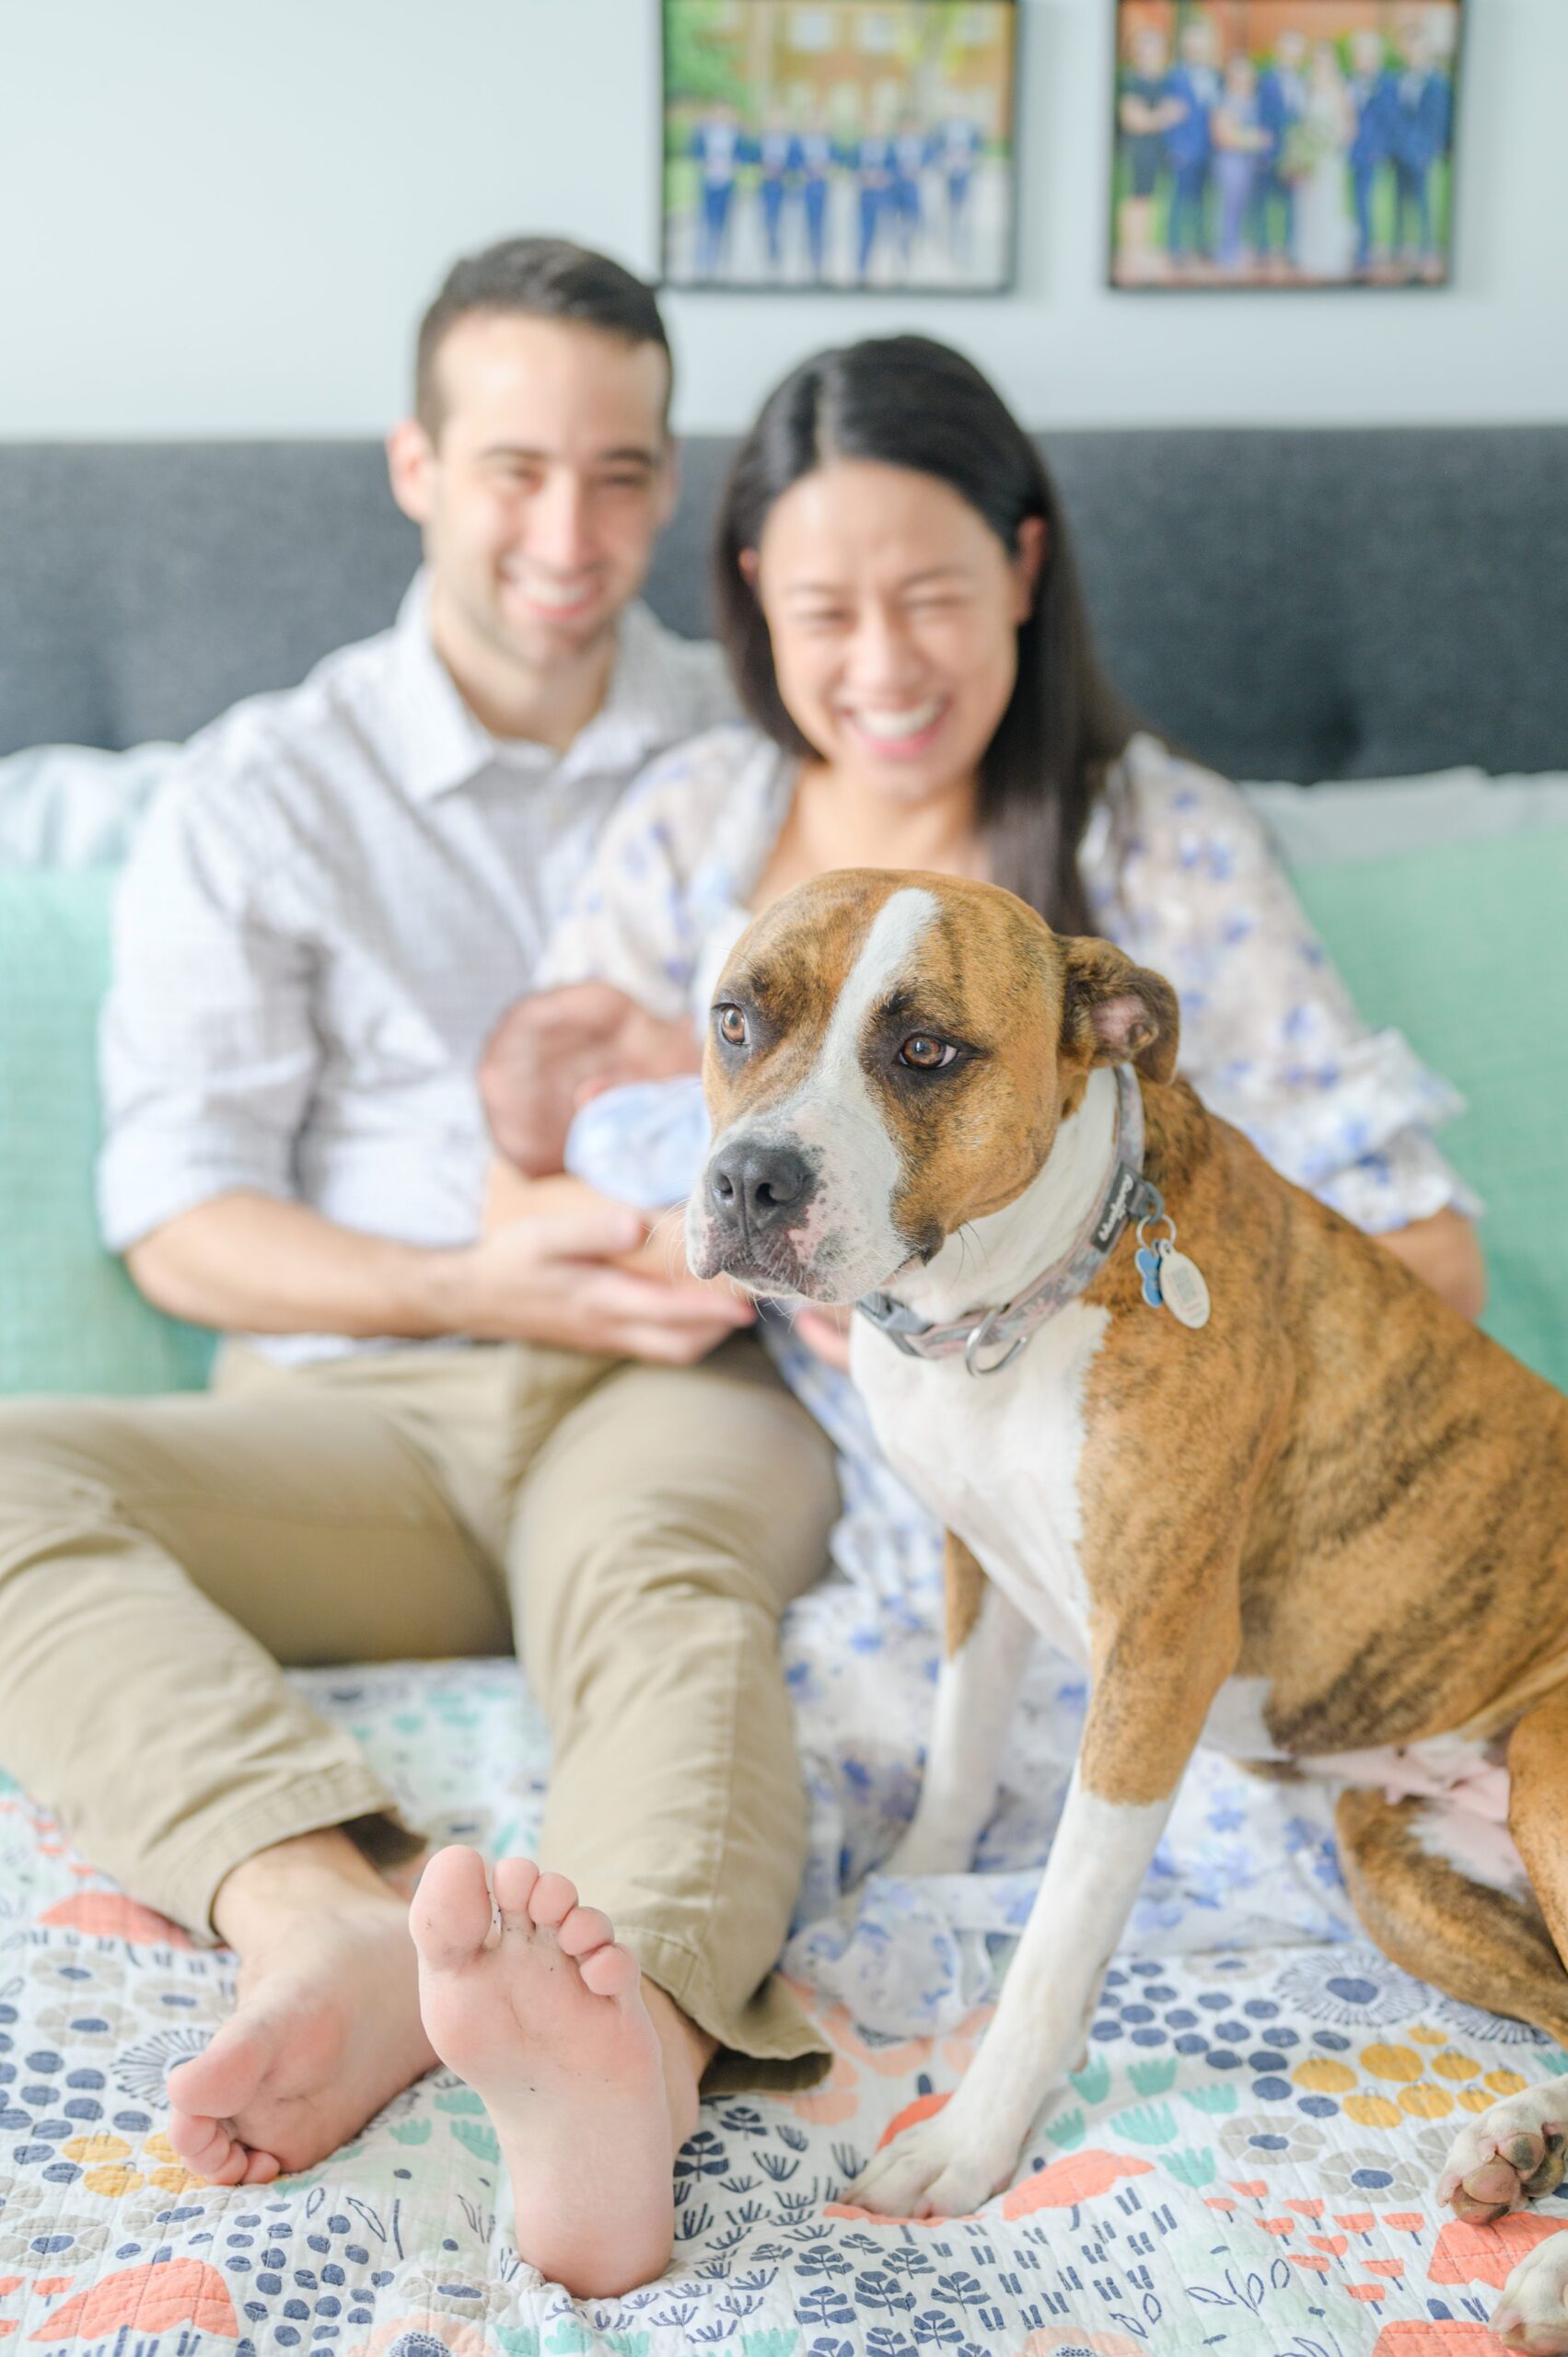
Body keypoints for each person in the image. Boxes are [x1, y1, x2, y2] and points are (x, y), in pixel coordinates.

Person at [0, 239, 842, 2301]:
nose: (570, 534)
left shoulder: (761, 760)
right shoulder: (262, 789)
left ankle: (618, 2049)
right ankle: (320, 1915)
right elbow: (184, 1219)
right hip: (358, 1415)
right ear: (414, 464)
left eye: (623, 474)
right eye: (513, 470)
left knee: (668, 1595)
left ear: (671, 482)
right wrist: (487, 1278)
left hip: (671, 1385)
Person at [1116, 27, 1182, 283]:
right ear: (1138, 53)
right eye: (1146, 50)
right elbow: (1134, 119)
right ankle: (1132, 251)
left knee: (1152, 199)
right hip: (1138, 149)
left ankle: (1145, 248)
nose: (1151, 55)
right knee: (1136, 199)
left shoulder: (1164, 82)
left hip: (1158, 149)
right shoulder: (1133, 81)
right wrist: (1164, 116)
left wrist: (1161, 117)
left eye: (1156, 50)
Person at [1388, 21, 1451, 278]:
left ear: (1424, 49)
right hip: (1399, 152)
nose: (1413, 51)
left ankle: (1426, 251)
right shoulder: (1400, 78)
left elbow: (1437, 120)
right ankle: (1398, 250)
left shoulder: (1436, 81)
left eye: (1418, 46)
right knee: (1399, 202)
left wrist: (1428, 150)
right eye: (1409, 46)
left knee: (1423, 203)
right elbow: (1396, 116)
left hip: (1421, 152)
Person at [1295, 39, 1357, 280]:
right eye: (1319, 59)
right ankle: (1309, 255)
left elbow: (1349, 124)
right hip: (1309, 155)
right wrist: (1303, 149)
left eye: (1327, 59)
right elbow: (1301, 121)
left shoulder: (1340, 87)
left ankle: (1329, 256)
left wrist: (1333, 142)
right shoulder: (1307, 85)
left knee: (1329, 203)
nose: (1322, 63)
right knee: (1308, 203)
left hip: (1330, 157)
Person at [1164, 17, 1223, 269]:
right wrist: (1173, 146)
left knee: (1203, 199)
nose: (1197, 45)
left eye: (1201, 40)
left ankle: (1201, 244)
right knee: (1179, 199)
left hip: (1210, 149)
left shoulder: (1215, 75)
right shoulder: (1175, 75)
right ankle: (1175, 247)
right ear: (1185, 44)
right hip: (1183, 149)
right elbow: (1169, 114)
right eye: (1192, 40)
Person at [1253, 28, 1309, 268]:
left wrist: (1303, 153)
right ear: (1279, 51)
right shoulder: (1266, 79)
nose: (1291, 55)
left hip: (1295, 153)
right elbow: (1259, 116)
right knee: (1264, 202)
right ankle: (1263, 249)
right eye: (1287, 49)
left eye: (1296, 50)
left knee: (1292, 204)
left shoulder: (1306, 80)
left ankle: (1290, 248)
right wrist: (1263, 151)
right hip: (1269, 150)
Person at [1212, 54, 1272, 273]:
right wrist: (1254, 139)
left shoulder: (1255, 98)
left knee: (1246, 208)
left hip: (1251, 164)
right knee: (1229, 207)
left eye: (1246, 72)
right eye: (1238, 72)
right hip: (1231, 162)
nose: (1243, 77)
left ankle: (1240, 247)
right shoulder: (1226, 99)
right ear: (1231, 75)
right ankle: (1226, 252)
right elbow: (1221, 134)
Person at [1348, 28, 1396, 273]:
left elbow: (1389, 120)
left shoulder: (1386, 83)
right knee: (1348, 203)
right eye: (1359, 53)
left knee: (1364, 200)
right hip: (1345, 153)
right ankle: (1351, 244)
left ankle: (1365, 250)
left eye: (1368, 54)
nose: (1363, 58)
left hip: (1370, 153)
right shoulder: (1348, 80)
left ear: (1376, 56)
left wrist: (1380, 149)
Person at [691, 101, 743, 278]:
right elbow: (696, 153)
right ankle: (703, 264)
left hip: (727, 185)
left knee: (724, 225)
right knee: (706, 224)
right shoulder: (703, 133)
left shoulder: (735, 134)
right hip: (709, 184)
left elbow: (743, 154)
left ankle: (723, 263)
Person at [853, 118, 896, 284]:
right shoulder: (860, 147)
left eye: (878, 124)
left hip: (883, 197)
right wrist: (863, 177)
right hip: (865, 197)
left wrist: (882, 178)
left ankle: (884, 272)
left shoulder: (889, 148)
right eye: (872, 124)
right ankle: (862, 272)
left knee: (884, 234)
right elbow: (852, 168)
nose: (875, 128)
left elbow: (893, 170)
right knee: (865, 234)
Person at [755, 108, 797, 275]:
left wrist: (784, 171)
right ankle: (771, 251)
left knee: (785, 222)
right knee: (769, 221)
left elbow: (794, 164)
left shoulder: (790, 142)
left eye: (779, 120)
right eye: (772, 120)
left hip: (784, 187)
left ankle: (782, 252)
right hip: (767, 186)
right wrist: (763, 169)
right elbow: (755, 160)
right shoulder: (762, 141)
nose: (775, 124)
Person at [939, 106, 983, 269]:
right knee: (951, 209)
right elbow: (938, 149)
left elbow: (978, 149)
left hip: (966, 172)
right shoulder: (943, 129)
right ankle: (950, 243)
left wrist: (968, 157)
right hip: (949, 173)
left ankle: (964, 248)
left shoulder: (972, 129)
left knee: (965, 210)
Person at [797, 108, 836, 281]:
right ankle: (806, 264)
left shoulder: (830, 142)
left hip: (823, 189)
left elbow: (837, 165)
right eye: (813, 121)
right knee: (805, 227)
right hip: (804, 190)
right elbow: (793, 164)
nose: (816, 125)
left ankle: (820, 264)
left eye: (819, 122)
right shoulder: (799, 143)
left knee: (823, 227)